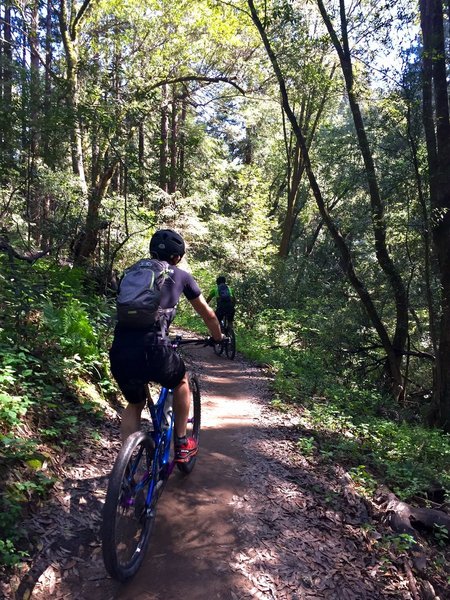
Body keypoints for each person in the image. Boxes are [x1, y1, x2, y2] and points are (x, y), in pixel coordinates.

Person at [109, 228, 223, 462]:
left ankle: (126, 465)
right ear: (177, 257)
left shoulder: (132, 272)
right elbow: (209, 316)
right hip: (154, 349)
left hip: (120, 350)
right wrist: (218, 338)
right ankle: (181, 442)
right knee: (181, 380)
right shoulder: (181, 276)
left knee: (135, 402)